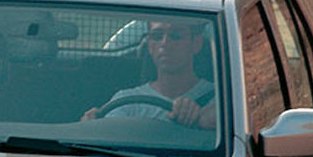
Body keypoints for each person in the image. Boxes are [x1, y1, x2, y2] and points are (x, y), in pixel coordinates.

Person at [81, 21, 216, 128]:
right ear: (150, 45)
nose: (164, 43)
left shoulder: (219, 100)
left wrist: (204, 120)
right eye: (157, 36)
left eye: (175, 36)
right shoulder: (126, 101)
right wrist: (90, 126)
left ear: (196, 43)